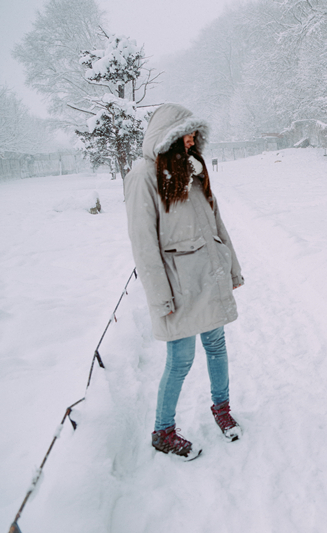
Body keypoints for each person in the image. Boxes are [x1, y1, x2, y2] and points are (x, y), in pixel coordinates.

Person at [124, 103, 244, 461]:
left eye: (194, 134)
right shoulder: (144, 177)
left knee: (217, 346)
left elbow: (217, 225)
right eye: (184, 134)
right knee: (179, 359)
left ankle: (221, 409)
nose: (191, 140)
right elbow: (143, 245)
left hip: (210, 278)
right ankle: (163, 431)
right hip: (179, 287)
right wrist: (160, 297)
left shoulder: (191, 170)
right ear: (167, 136)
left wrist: (233, 269)